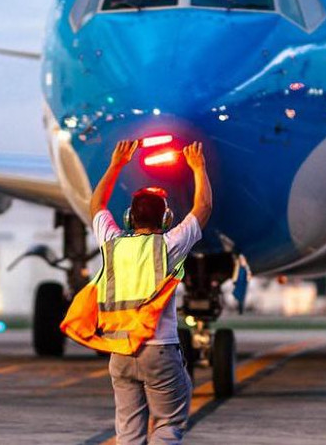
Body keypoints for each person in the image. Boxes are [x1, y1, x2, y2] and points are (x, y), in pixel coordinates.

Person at [60, 139, 213, 444]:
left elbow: (96, 205)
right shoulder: (168, 245)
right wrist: (199, 167)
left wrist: (116, 164)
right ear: (166, 219)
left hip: (120, 351)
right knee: (168, 424)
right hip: (159, 350)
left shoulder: (111, 244)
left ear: (130, 218)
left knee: (128, 433)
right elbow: (203, 207)